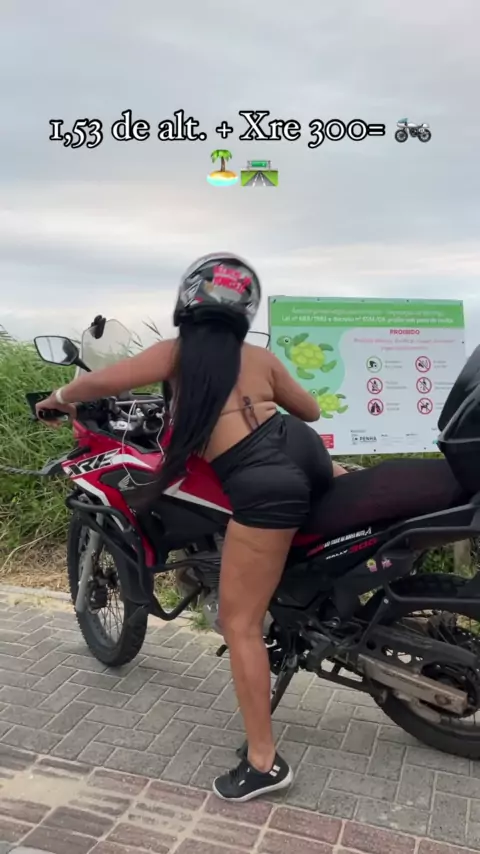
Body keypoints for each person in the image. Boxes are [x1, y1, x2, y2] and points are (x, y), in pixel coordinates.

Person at [36, 253, 340, 801]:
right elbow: (311, 411)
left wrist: (56, 399)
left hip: (265, 482)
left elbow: (99, 381)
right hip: (305, 454)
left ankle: (264, 764)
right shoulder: (258, 357)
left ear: (189, 300)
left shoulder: (176, 354)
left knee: (239, 624)